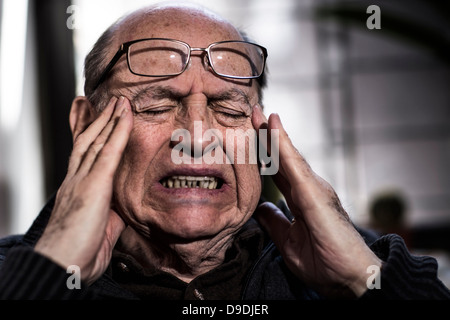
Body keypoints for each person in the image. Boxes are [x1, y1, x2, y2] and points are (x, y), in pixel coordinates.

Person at [0, 2, 449, 301]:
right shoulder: (15, 278)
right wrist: (51, 270)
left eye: (229, 110)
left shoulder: (357, 267)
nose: (198, 135)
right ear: (84, 124)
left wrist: (365, 281)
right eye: (157, 104)